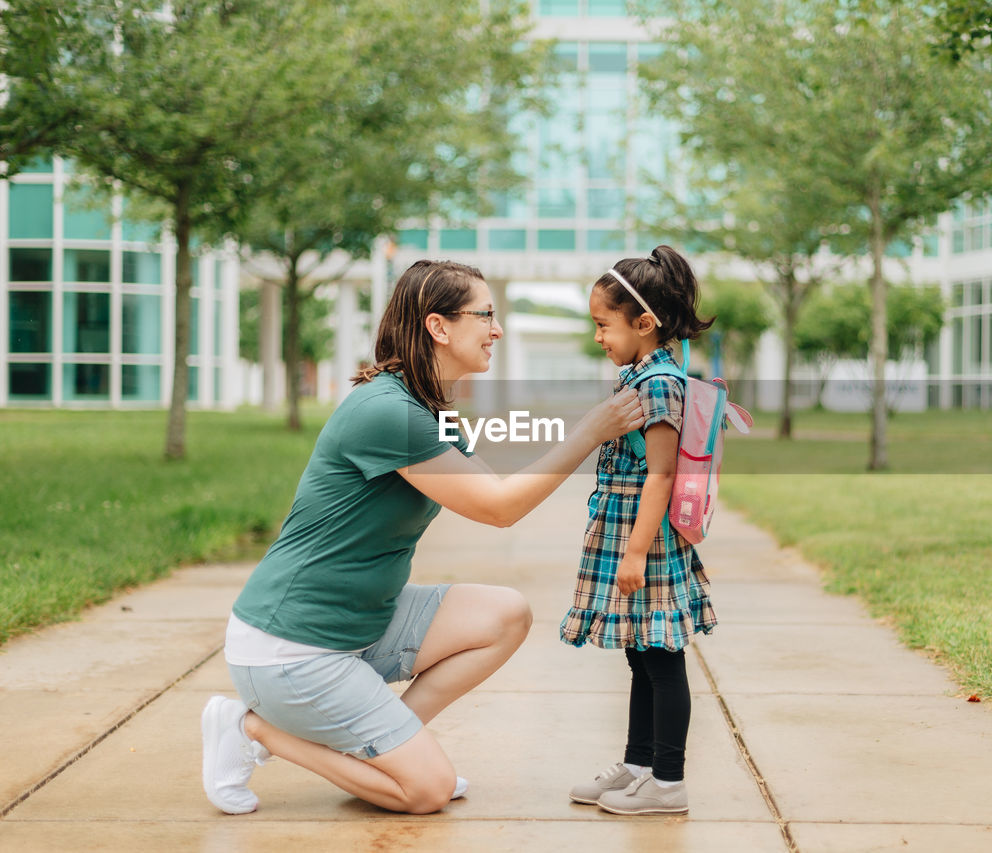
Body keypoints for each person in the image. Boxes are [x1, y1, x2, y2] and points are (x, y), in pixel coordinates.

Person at [201, 259, 645, 816]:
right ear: (438, 326)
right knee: (426, 792)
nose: (497, 329)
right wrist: (590, 431)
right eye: (485, 314)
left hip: (354, 626)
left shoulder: (429, 410)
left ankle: (387, 749)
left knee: (505, 614)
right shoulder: (389, 413)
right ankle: (252, 728)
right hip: (290, 650)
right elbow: (499, 508)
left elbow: (494, 490)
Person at [561, 245, 716, 816]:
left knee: (662, 657)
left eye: (604, 324)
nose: (599, 336)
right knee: (639, 653)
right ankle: (640, 764)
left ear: (644, 323)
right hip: (630, 530)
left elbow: (661, 475)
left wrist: (634, 553)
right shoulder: (642, 374)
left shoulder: (658, 384)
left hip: (644, 538)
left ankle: (667, 784)